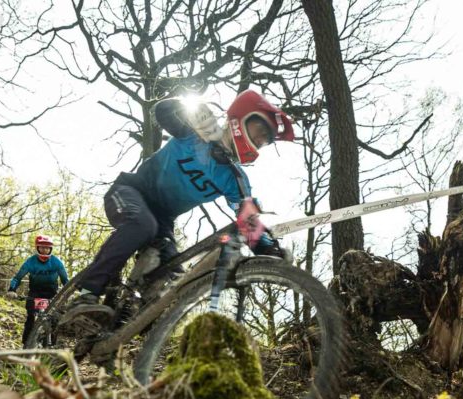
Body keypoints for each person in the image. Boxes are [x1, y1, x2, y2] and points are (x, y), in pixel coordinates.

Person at [71, 89, 295, 305]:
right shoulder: (194, 134)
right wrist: (192, 112)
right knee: (142, 225)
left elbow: (247, 221)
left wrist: (270, 252)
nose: (260, 140)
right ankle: (85, 294)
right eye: (259, 131)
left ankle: (119, 328)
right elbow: (162, 111)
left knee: (174, 279)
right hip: (131, 191)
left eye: (265, 140)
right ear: (239, 119)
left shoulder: (235, 179)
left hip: (163, 220)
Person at [8, 234, 70, 344]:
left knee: (54, 321)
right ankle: (26, 346)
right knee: (30, 319)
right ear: (37, 248)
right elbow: (18, 277)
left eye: (47, 248)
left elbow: (65, 280)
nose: (45, 250)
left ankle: (50, 348)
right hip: (34, 294)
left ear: (51, 249)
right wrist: (12, 290)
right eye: (42, 247)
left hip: (52, 295)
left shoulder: (56, 262)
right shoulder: (30, 262)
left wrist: (68, 293)